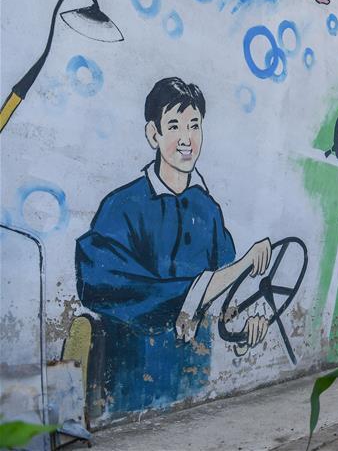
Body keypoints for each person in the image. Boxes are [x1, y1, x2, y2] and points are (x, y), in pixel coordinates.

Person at [76, 77, 271, 413]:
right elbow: (100, 283)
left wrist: (243, 331)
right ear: (153, 134)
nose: (186, 139)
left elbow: (225, 297)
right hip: (131, 387)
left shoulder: (208, 211)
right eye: (175, 126)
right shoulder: (123, 206)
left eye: (194, 126)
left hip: (197, 389)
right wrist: (236, 270)